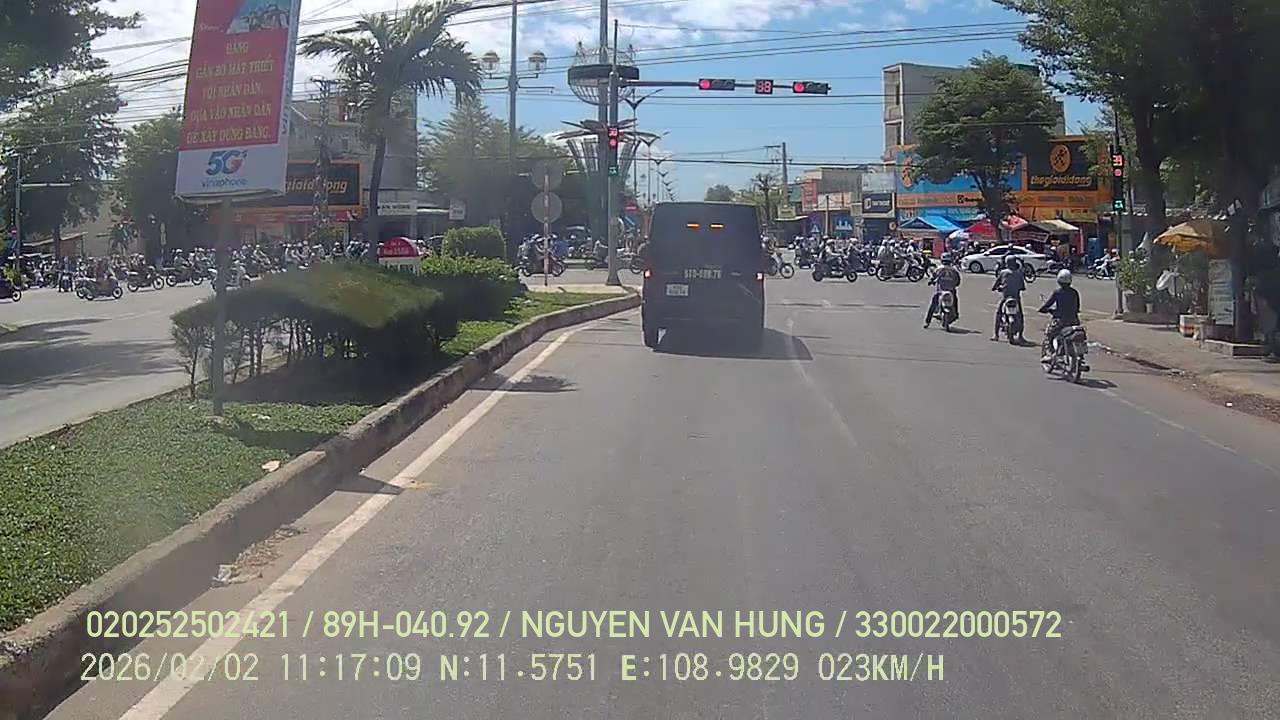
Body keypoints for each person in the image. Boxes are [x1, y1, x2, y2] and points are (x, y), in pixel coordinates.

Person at [1039, 269, 1083, 363]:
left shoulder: (1057, 292)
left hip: (1060, 321)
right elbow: (1077, 307)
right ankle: (1081, 357)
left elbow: (1048, 304)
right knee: (1078, 336)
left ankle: (1050, 354)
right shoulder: (1074, 292)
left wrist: (1042, 309)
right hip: (1074, 320)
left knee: (1050, 334)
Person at [991, 255, 1027, 342]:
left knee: (999, 313)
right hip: (1016, 298)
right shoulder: (1019, 273)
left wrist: (996, 288)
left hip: (1005, 297)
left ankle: (996, 335)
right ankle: (1020, 336)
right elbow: (1023, 287)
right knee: (1020, 315)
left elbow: (996, 284)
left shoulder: (1003, 272)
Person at [924, 254, 962, 328]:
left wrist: (931, 281)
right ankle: (956, 314)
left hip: (941, 290)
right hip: (951, 291)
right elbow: (958, 281)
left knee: (933, 305)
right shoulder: (954, 270)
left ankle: (927, 322)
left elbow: (933, 277)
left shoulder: (939, 269)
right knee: (955, 302)